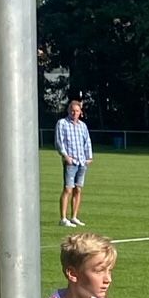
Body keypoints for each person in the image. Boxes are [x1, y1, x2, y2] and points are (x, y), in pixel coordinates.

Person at [55, 98, 93, 228]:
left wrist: (89, 157)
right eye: (72, 110)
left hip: (82, 161)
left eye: (76, 111)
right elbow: (59, 141)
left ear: (80, 112)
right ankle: (63, 218)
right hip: (70, 161)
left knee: (78, 189)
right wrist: (65, 156)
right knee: (68, 189)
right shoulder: (62, 123)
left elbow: (87, 142)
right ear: (68, 110)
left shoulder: (83, 126)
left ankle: (74, 217)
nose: (74, 113)